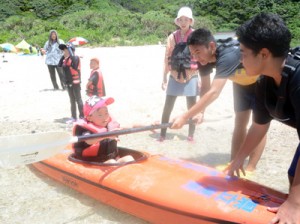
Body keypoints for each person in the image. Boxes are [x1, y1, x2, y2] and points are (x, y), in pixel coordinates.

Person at [224, 13, 300, 223]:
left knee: (297, 195)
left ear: (264, 54)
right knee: (294, 177)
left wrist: (295, 203)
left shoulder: (298, 80)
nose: (240, 59)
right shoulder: (264, 83)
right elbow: (259, 126)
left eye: (243, 53)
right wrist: (239, 158)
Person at [171, 28, 267, 172]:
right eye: (192, 54)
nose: (195, 57)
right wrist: (201, 112)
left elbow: (214, 92)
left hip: (261, 81)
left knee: (259, 124)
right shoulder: (203, 61)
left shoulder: (228, 55)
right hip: (241, 83)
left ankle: (251, 168)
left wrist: (185, 116)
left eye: (198, 52)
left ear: (211, 46)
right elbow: (205, 87)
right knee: (240, 123)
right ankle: (233, 164)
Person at [159, 6, 202, 142]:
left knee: (192, 107)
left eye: (186, 19)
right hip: (174, 74)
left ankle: (191, 135)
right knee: (168, 106)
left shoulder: (196, 36)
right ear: (177, 21)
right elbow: (167, 57)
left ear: (190, 21)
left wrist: (200, 78)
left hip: (191, 75)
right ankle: (162, 134)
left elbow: (200, 57)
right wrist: (164, 77)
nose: (183, 22)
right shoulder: (172, 37)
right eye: (180, 20)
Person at [73, 96, 134, 163]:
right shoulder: (86, 129)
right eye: (100, 115)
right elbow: (89, 140)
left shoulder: (110, 125)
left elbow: (131, 126)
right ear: (90, 118)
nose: (105, 117)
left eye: (106, 113)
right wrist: (107, 135)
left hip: (112, 159)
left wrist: (145, 126)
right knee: (111, 162)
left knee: (129, 158)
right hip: (94, 162)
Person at [58, 42, 84, 122]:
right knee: (72, 100)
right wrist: (64, 56)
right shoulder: (65, 60)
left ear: (71, 50)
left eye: (66, 50)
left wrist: (70, 50)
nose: (64, 52)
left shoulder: (75, 58)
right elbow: (59, 65)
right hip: (68, 83)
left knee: (78, 99)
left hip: (75, 83)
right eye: (63, 51)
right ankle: (73, 117)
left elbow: (75, 66)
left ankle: (82, 117)